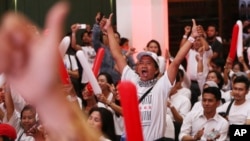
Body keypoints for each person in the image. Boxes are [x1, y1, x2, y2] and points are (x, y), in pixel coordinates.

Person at [99, 13, 199, 140]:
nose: (143, 66)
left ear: (156, 70)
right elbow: (117, 55)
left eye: (148, 63)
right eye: (141, 63)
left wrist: (191, 38)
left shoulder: (162, 85)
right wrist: (109, 29)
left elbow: (176, 62)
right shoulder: (132, 78)